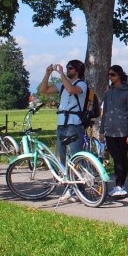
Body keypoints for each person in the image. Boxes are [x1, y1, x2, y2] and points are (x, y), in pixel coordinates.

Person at [39, 60, 87, 201]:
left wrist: (60, 73)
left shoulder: (82, 84)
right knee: (63, 159)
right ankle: (70, 189)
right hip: (62, 125)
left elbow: (71, 89)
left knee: (76, 158)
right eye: (66, 68)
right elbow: (44, 90)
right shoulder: (62, 86)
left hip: (74, 125)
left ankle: (79, 189)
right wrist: (47, 74)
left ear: (77, 71)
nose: (67, 70)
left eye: (70, 68)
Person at [99, 65, 128, 199]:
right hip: (110, 131)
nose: (110, 77)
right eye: (109, 75)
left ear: (119, 75)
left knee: (122, 158)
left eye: (113, 74)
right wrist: (101, 131)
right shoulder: (108, 93)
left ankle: (120, 185)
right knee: (116, 158)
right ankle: (119, 186)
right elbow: (105, 114)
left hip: (123, 131)